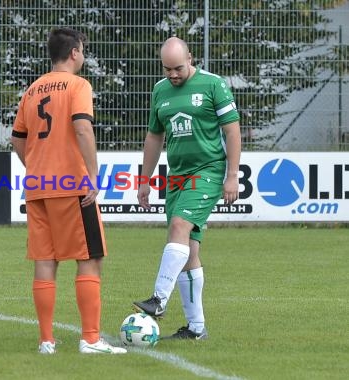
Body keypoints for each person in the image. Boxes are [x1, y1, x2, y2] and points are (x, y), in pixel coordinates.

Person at [11, 28, 126, 355]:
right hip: (71, 183)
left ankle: (46, 341)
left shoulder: (32, 90)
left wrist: (35, 164)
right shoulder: (79, 85)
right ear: (75, 52)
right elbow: (81, 126)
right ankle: (90, 339)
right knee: (90, 256)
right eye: (83, 50)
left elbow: (17, 139)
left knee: (45, 259)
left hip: (37, 186)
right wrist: (91, 174)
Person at [133, 37, 241, 340]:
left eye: (178, 68)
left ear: (190, 58)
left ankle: (158, 300)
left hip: (208, 171)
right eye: (167, 69)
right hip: (177, 176)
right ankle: (196, 329)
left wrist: (232, 175)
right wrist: (144, 179)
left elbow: (232, 130)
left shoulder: (213, 85)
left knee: (180, 225)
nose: (173, 75)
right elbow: (154, 137)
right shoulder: (160, 90)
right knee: (188, 251)